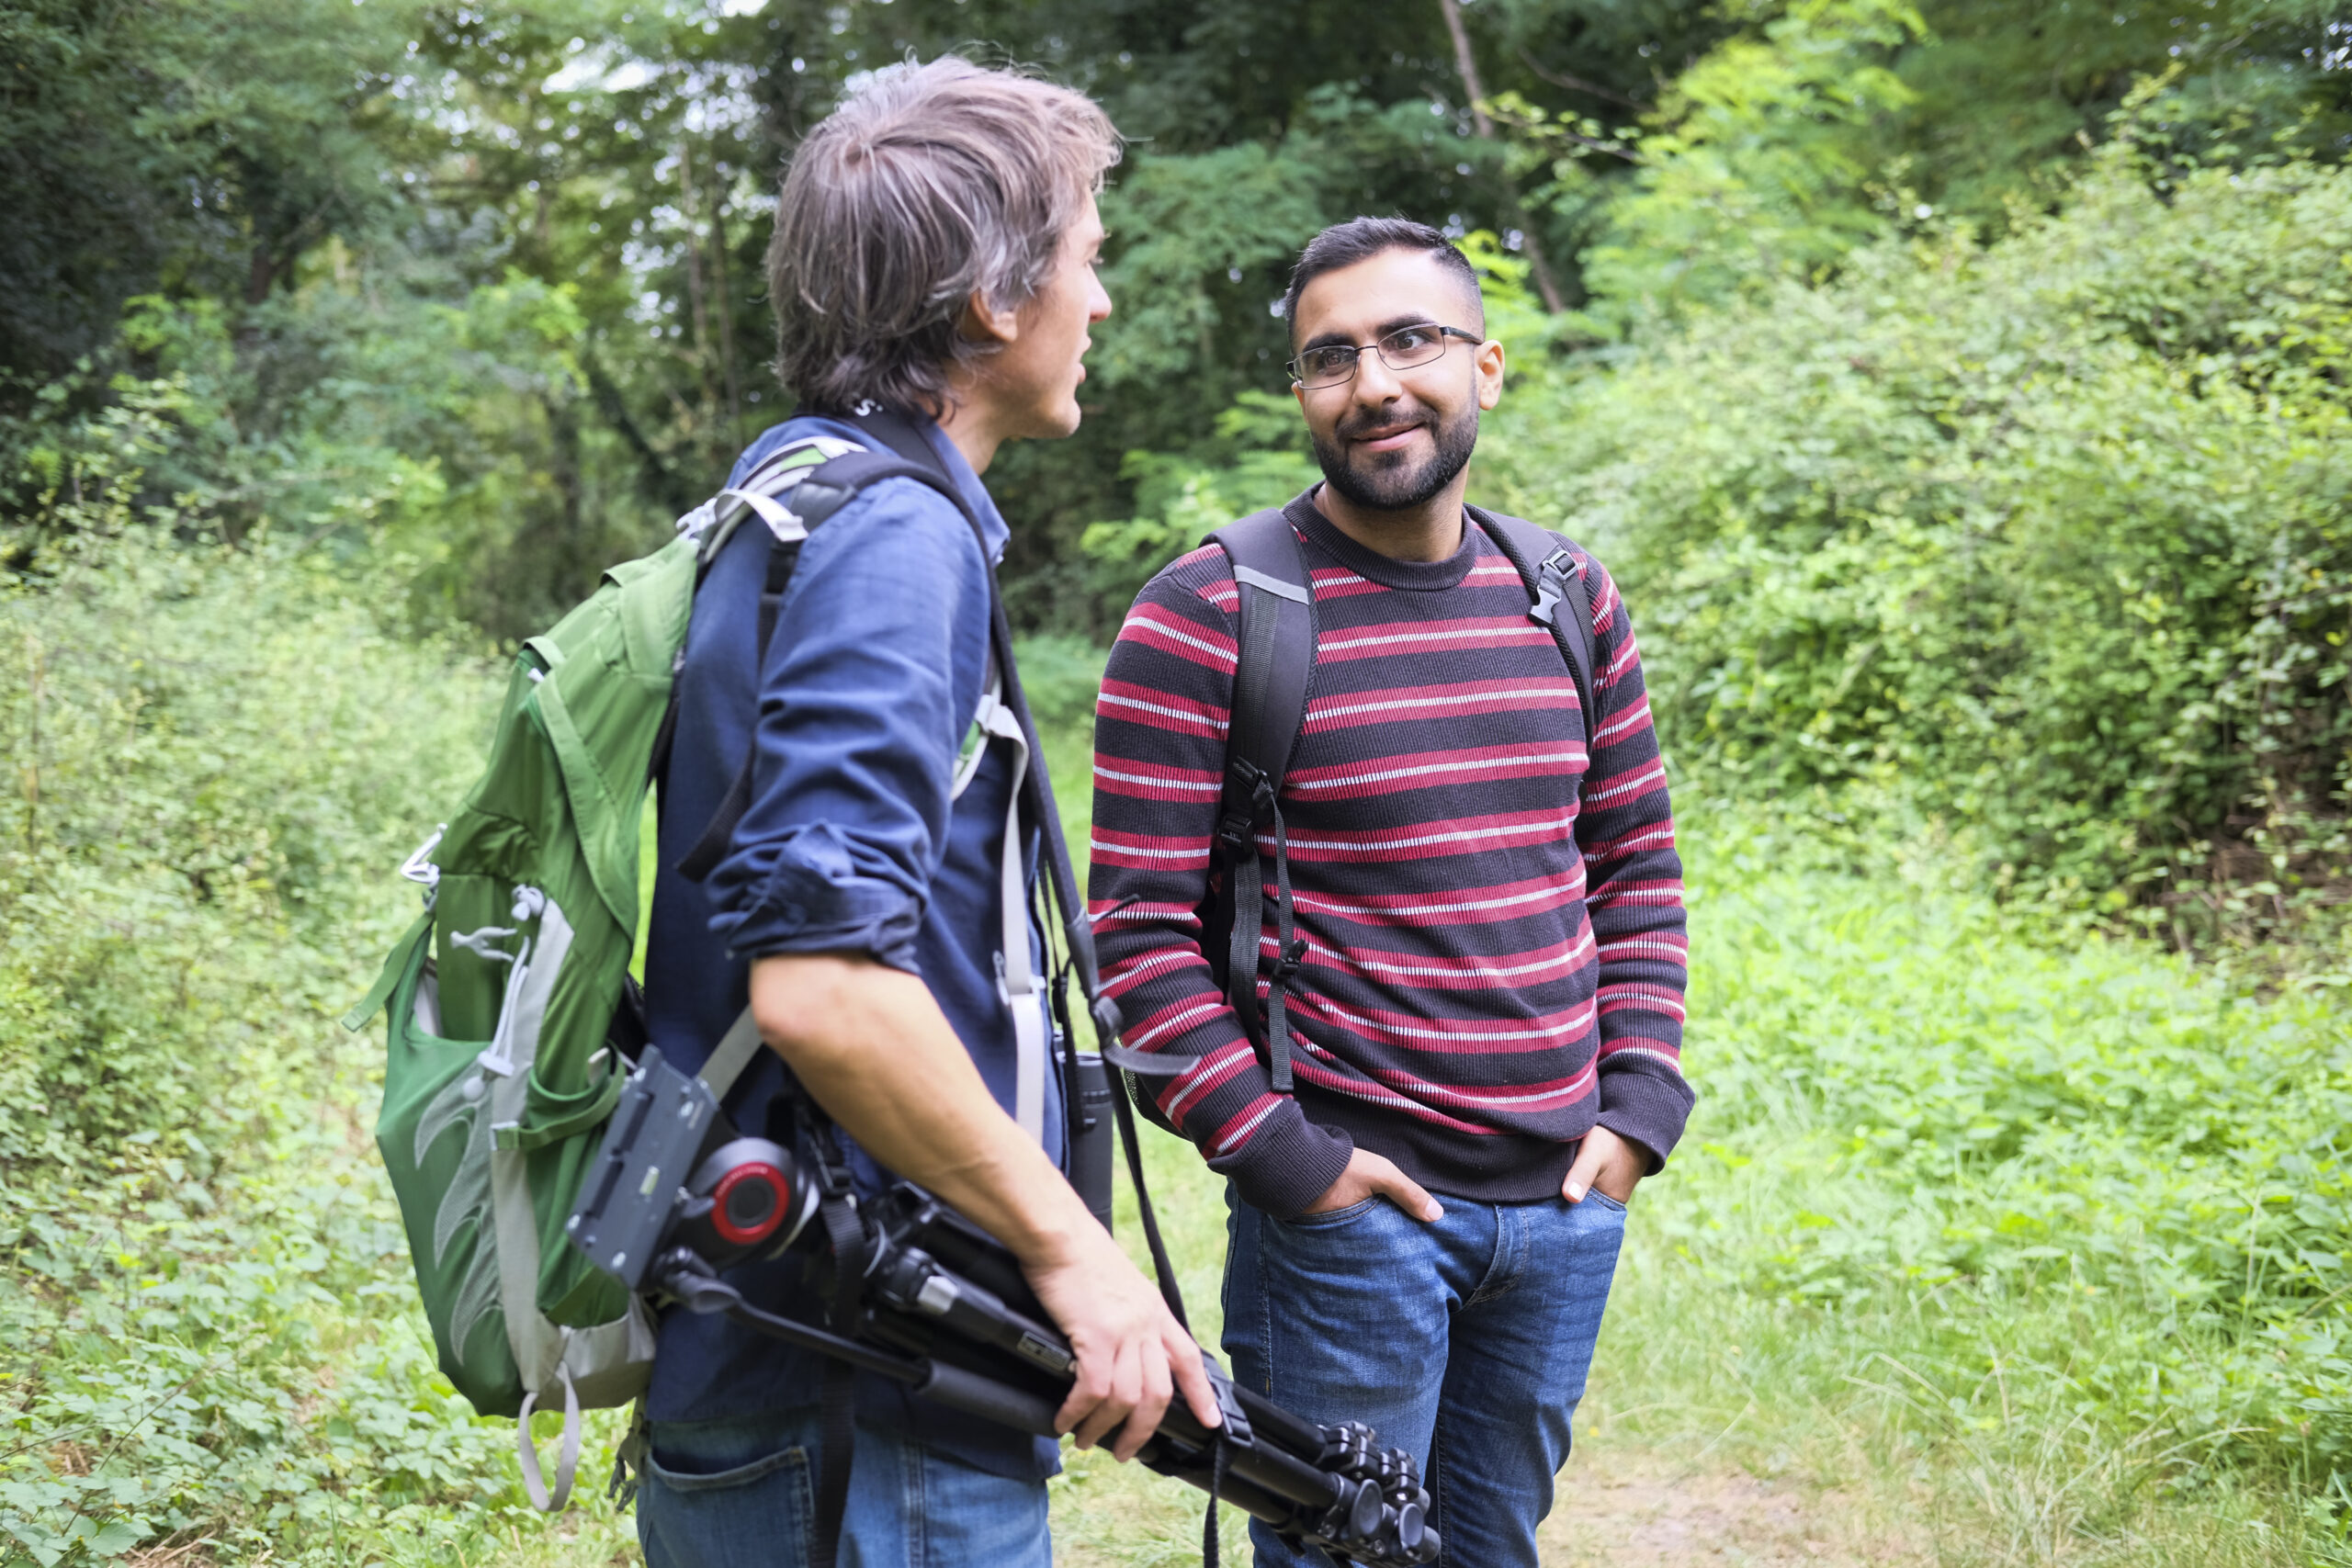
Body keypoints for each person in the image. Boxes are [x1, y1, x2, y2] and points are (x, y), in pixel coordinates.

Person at [637, 57, 1217, 1568]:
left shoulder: (790, 497)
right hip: (862, 1404)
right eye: (1088, 259)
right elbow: (823, 990)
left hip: (792, 1367)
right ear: (991, 299)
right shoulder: (894, 540)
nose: (1102, 302)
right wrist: (1076, 1258)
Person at [1088, 216, 1690, 1567]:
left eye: (1411, 340)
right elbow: (1131, 931)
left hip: (1565, 1210)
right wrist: (1286, 1160)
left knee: (1494, 1550)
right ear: (1300, 393)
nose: (1374, 383)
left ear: (1488, 364)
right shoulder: (1215, 609)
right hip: (1351, 1225)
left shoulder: (1565, 597)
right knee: (1341, 1558)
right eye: (1331, 356)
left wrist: (1640, 1110)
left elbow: (1634, 867)